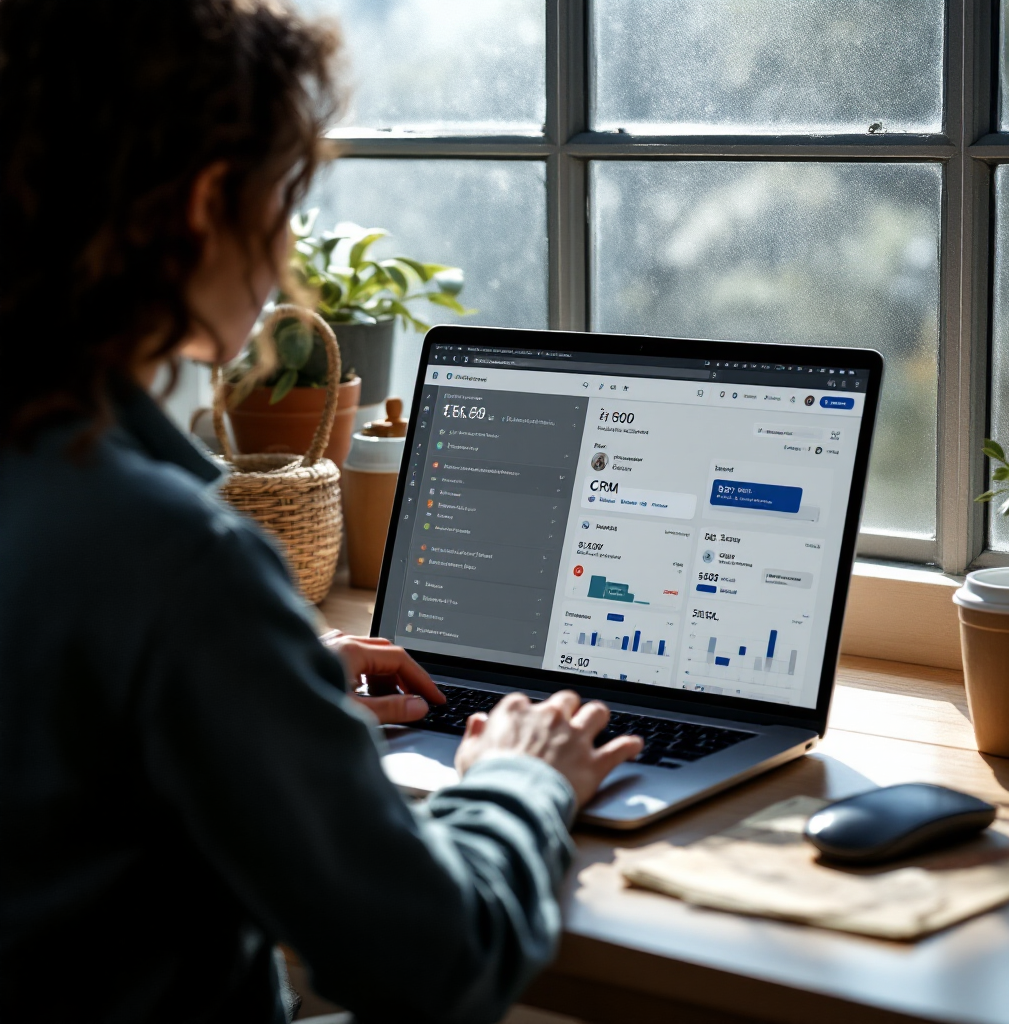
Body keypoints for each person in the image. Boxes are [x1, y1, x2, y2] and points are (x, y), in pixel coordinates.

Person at [0, 2, 643, 1022]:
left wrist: (268, 682)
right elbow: (435, 960)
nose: (290, 239)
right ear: (207, 204)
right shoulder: (173, 557)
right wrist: (522, 781)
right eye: (285, 195)